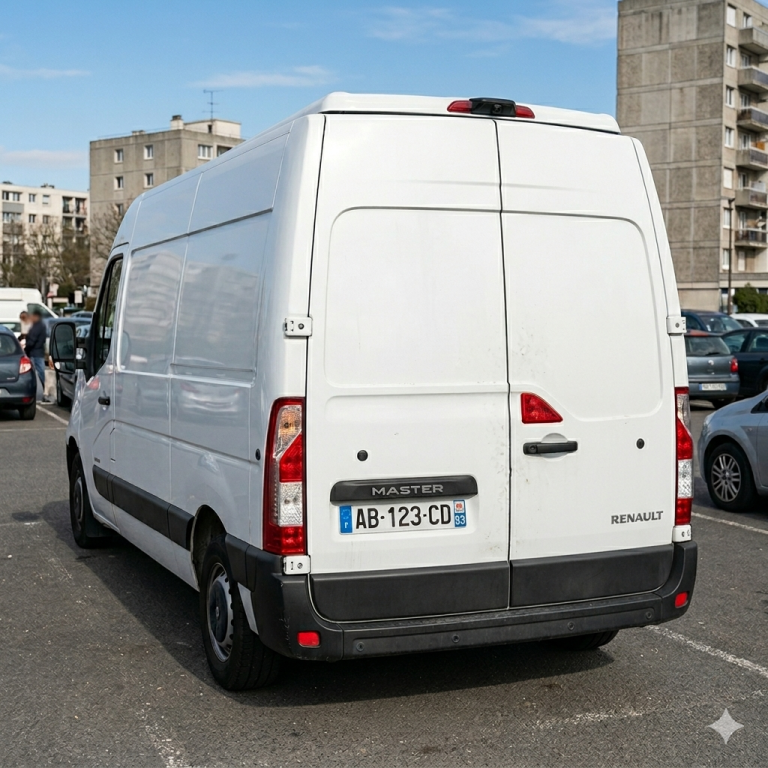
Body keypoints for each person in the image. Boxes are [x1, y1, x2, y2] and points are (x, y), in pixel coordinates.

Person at [24, 310, 50, 403]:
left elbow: (32, 340)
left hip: (35, 353)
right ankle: (42, 393)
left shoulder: (38, 326)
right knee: (40, 373)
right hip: (37, 353)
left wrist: (26, 349)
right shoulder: (38, 325)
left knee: (38, 374)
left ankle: (41, 393)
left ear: (36, 316)